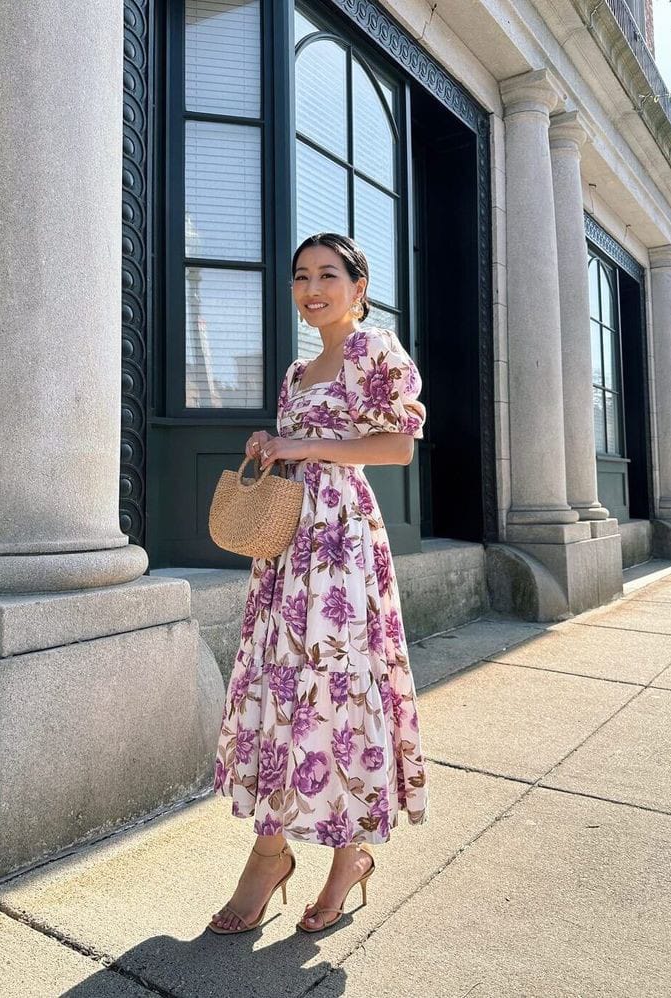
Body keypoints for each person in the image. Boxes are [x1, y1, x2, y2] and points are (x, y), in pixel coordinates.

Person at [208, 232, 428, 935]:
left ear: (359, 287)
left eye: (328, 275)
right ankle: (268, 856)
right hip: (288, 554)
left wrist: (306, 445)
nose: (312, 288)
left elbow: (396, 445)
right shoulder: (298, 371)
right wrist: (273, 446)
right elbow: (303, 446)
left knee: (341, 692)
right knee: (281, 689)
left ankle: (348, 858)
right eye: (301, 276)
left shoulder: (374, 350)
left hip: (341, 550)